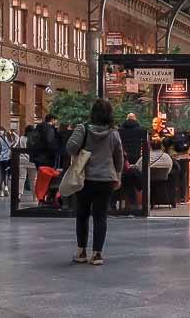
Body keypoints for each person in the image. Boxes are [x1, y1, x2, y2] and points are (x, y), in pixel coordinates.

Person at [67, 98, 124, 266]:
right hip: (106, 179)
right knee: (101, 216)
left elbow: (70, 147)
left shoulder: (82, 129)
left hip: (84, 178)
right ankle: (97, 254)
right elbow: (119, 156)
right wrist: (118, 175)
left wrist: (83, 150)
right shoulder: (114, 132)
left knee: (82, 215)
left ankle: (81, 251)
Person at [0, 127, 13, 197]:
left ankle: (1, 191)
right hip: (7, 159)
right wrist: (11, 133)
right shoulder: (8, 138)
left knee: (0, 174)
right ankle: (6, 186)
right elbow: (14, 143)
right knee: (6, 173)